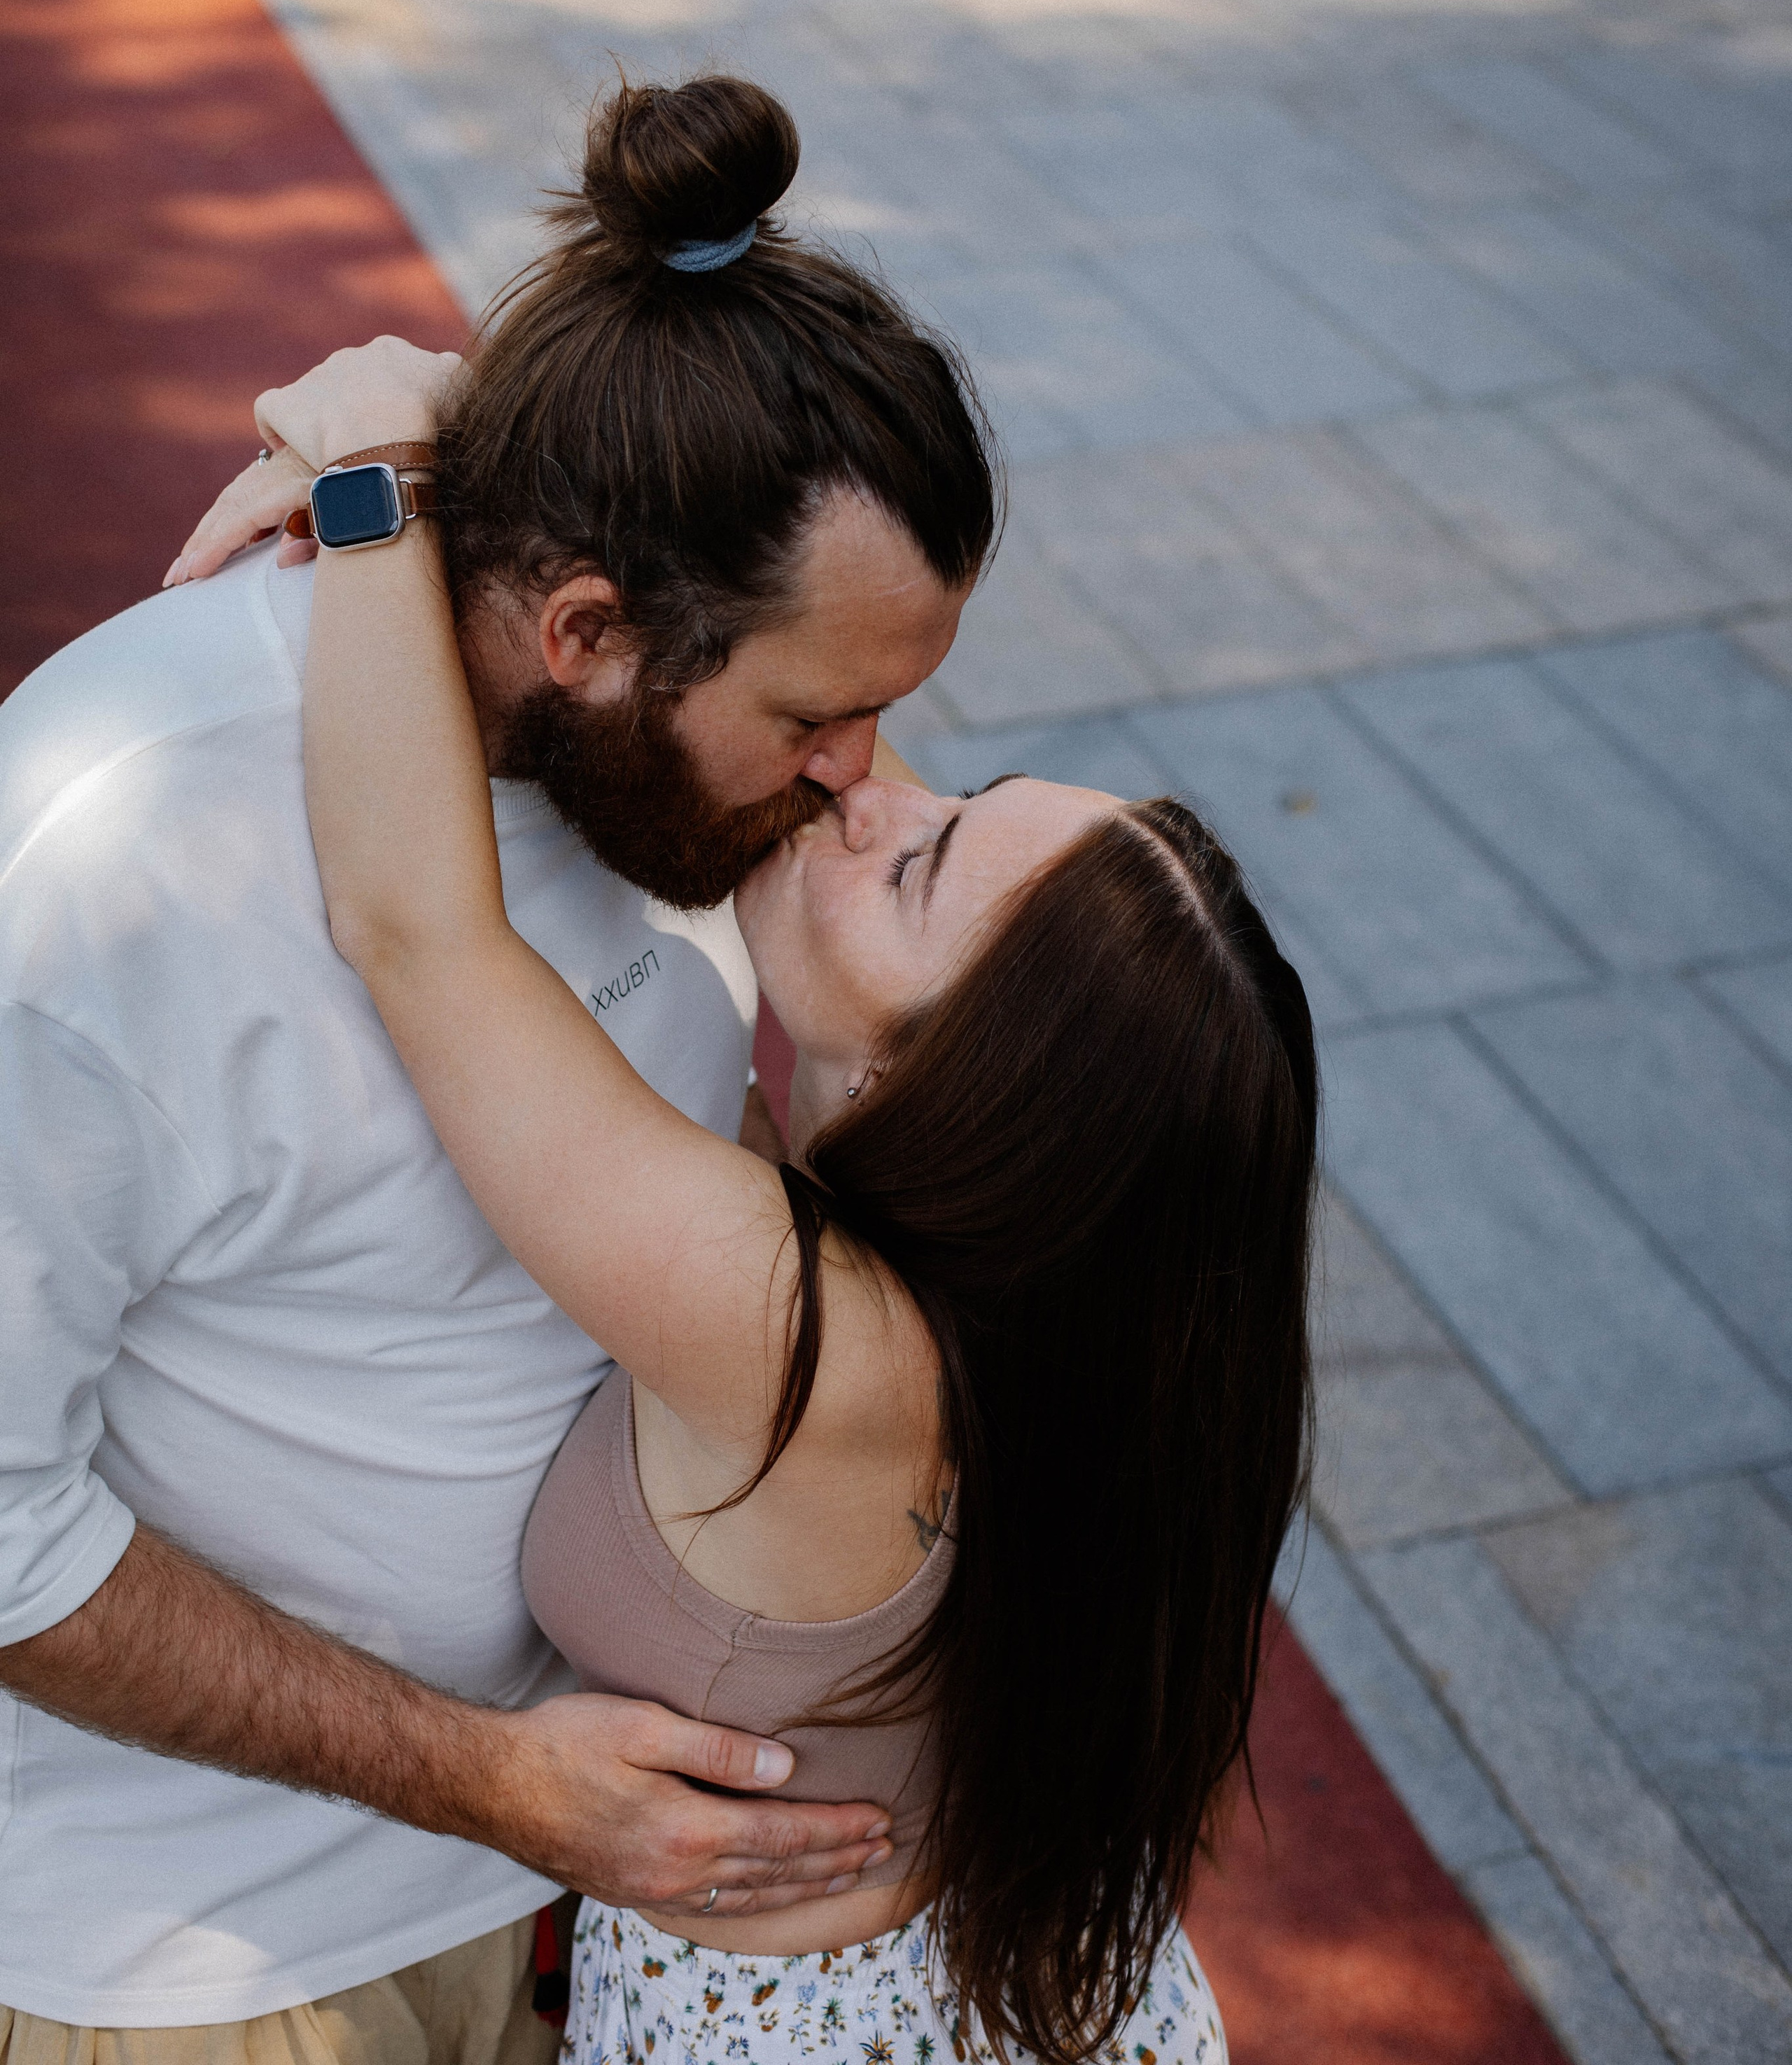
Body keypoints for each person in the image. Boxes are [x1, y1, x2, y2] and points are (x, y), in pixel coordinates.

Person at [0, 76, 998, 2061]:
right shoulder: (118, 859)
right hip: (216, 1970)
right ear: (587, 634)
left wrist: (411, 432)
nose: (860, 781)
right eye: (820, 713)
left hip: (568, 1887)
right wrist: (490, 1780)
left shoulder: (674, 770)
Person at [205, 313, 1319, 2065]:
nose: (872, 791)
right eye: (965, 793)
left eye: (923, 869)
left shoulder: (806, 1341)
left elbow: (416, 931)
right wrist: (554, 462)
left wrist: (375, 473)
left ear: (974, 1095)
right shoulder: (1069, 1295)